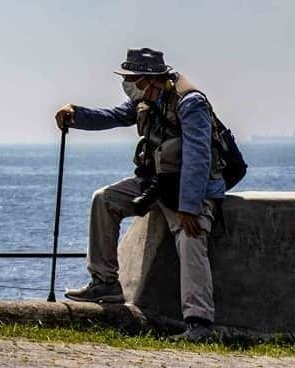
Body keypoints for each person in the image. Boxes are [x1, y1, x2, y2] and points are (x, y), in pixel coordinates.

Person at [55, 48, 226, 343]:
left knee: (190, 238)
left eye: (132, 77)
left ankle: (199, 323)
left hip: (190, 190)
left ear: (149, 78)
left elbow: (198, 158)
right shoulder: (144, 99)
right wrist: (76, 113)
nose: (128, 83)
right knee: (104, 199)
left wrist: (189, 207)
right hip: (157, 183)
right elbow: (110, 115)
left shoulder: (190, 102)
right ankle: (105, 282)